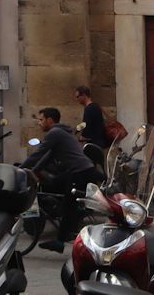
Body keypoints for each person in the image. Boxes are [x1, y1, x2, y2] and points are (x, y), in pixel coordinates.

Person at [21, 107, 104, 253]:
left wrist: (19, 169)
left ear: (50, 120)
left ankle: (60, 242)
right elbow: (47, 157)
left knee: (69, 206)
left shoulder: (55, 133)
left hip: (79, 172)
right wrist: (33, 171)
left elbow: (38, 154)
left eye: (41, 120)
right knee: (52, 183)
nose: (39, 123)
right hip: (80, 171)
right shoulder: (62, 132)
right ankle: (57, 210)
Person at [74, 85, 109, 152]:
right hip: (98, 141)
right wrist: (77, 129)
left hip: (94, 143)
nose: (77, 99)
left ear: (84, 95)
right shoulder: (94, 106)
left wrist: (82, 136)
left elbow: (87, 124)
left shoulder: (89, 108)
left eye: (78, 97)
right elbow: (85, 123)